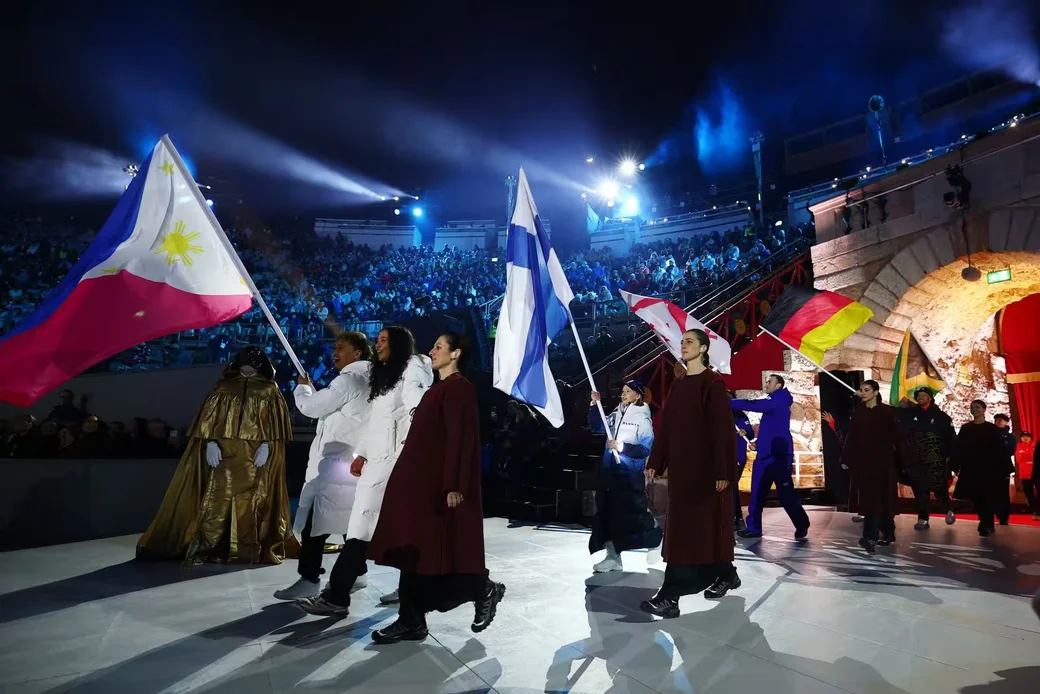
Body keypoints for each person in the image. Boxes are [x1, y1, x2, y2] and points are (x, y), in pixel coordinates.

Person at [366, 332, 506, 644]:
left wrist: (453, 484)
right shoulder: (440, 388)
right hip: (416, 483)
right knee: (413, 553)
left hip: (433, 486)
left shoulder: (459, 389)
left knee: (426, 552)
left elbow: (460, 439)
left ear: (456, 354)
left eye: (439, 347)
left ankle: (480, 589)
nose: (431, 350)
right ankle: (412, 620)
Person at [297, 326, 433, 616]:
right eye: (377, 340)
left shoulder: (413, 366)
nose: (378, 344)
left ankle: (339, 595)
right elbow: (377, 422)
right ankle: (347, 594)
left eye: (383, 340)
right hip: (377, 463)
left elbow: (417, 408)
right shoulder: (384, 377)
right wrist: (362, 453)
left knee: (377, 529)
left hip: (396, 462)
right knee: (367, 528)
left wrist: (408, 452)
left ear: (398, 343)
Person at [137, 347, 296, 565]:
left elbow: (275, 422)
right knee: (217, 498)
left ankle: (247, 548)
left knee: (252, 501)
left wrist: (268, 445)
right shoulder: (223, 387)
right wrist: (210, 442)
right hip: (224, 452)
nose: (249, 369)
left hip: (254, 455)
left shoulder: (269, 389)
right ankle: (211, 545)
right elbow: (208, 418)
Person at [640, 329, 739, 619]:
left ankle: (670, 596)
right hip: (682, 473)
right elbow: (667, 426)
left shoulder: (713, 383)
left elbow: (722, 431)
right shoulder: (678, 384)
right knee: (691, 531)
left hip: (707, 473)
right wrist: (656, 459)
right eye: (682, 342)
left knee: (693, 532)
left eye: (690, 342)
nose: (683, 346)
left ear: (704, 348)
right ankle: (726, 573)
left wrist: (722, 470)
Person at [274, 331, 373, 601]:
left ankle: (309, 579)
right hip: (350, 463)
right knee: (346, 523)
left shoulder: (350, 378)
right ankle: (359, 573)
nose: (335, 352)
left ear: (359, 353)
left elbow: (311, 407)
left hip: (335, 465)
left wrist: (303, 387)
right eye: (334, 347)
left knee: (315, 526)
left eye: (342, 347)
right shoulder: (373, 379)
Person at [587, 380, 662, 573]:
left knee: (633, 514)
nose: (623, 394)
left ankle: (655, 539)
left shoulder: (642, 418)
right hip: (610, 471)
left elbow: (645, 448)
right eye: (622, 391)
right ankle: (613, 557)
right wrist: (595, 405)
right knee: (607, 514)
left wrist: (622, 447)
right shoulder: (615, 413)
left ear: (638, 395)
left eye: (628, 392)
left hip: (629, 474)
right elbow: (597, 427)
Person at [832, 380, 909, 554]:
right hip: (865, 463)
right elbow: (852, 437)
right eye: (861, 390)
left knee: (884, 498)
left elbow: (899, 437)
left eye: (866, 390)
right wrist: (846, 458)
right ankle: (871, 536)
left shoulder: (888, 412)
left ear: (875, 392)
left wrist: (904, 460)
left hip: (885, 463)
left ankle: (885, 533)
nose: (863, 392)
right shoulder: (859, 413)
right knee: (870, 499)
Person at [730, 374, 810, 540]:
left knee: (786, 495)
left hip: (778, 457)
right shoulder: (776, 400)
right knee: (757, 493)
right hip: (765, 455)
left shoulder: (778, 400)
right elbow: (771, 429)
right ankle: (753, 527)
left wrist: (728, 402)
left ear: (779, 385)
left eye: (770, 381)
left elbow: (754, 404)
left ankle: (802, 523)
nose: (766, 383)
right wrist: (758, 444)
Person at [896, 388, 956, 529]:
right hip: (916, 459)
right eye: (919, 396)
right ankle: (923, 518)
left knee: (939, 488)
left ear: (930, 398)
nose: (921, 398)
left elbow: (950, 438)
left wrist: (949, 456)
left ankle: (948, 509)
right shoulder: (909, 414)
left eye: (924, 395)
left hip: (936, 459)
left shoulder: (942, 417)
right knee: (919, 489)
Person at [952, 400, 1014, 537]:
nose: (975, 409)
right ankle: (985, 520)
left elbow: (999, 450)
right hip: (971, 468)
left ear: (984, 409)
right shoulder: (966, 428)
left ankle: (987, 523)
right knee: (976, 496)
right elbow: (959, 448)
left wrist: (1003, 469)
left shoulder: (992, 429)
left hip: (988, 469)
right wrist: (955, 465)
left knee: (987, 496)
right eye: (972, 407)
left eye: (978, 407)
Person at [730, 392, 753, 533]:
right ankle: (735, 519)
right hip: (725, 457)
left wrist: (745, 432)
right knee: (730, 488)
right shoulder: (718, 415)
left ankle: (737, 519)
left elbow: (750, 432)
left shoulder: (740, 415)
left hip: (737, 457)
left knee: (731, 487)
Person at [993, 413, 1016, 525]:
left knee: (1003, 493)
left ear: (1006, 422)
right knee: (990, 492)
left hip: (1003, 467)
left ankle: (1003, 516)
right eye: (996, 419)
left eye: (1000, 420)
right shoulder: (989, 434)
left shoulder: (1010, 437)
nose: (997, 422)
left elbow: (1011, 450)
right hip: (989, 467)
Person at [1016, 432, 1037, 521]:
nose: (1025, 438)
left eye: (1027, 436)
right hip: (1024, 473)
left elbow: (1034, 457)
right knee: (1028, 491)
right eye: (1023, 437)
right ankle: (1032, 507)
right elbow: (1019, 459)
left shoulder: (1035, 446)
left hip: (1036, 472)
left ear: (1030, 438)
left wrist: (1028, 458)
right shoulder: (1019, 446)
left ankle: (1037, 507)